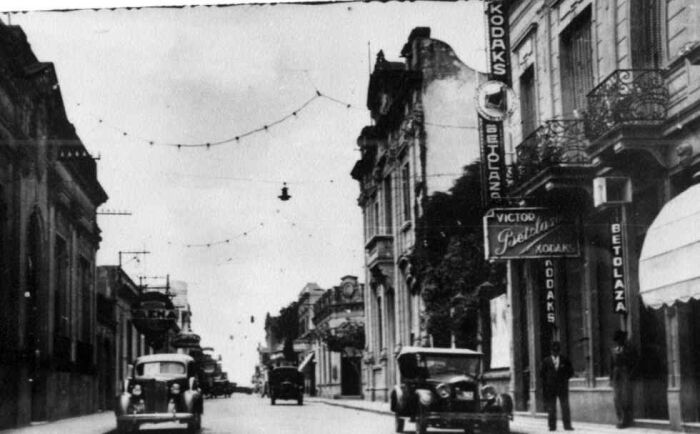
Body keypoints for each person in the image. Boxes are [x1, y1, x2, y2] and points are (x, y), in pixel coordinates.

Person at [541, 341, 574, 431]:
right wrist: (547, 383)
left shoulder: (564, 360)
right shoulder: (546, 361)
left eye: (557, 351)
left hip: (562, 387)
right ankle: (552, 426)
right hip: (551, 388)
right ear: (551, 351)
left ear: (559, 351)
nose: (555, 353)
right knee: (551, 407)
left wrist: (564, 380)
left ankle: (567, 425)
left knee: (565, 406)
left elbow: (570, 372)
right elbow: (542, 374)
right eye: (553, 351)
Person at [611, 330, 635, 428]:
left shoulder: (629, 349)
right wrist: (610, 378)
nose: (619, 342)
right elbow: (611, 365)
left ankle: (625, 420)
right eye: (617, 340)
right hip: (616, 376)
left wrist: (631, 373)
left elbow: (633, 361)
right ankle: (620, 419)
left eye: (621, 340)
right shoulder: (614, 350)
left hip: (625, 374)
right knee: (616, 398)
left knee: (625, 397)